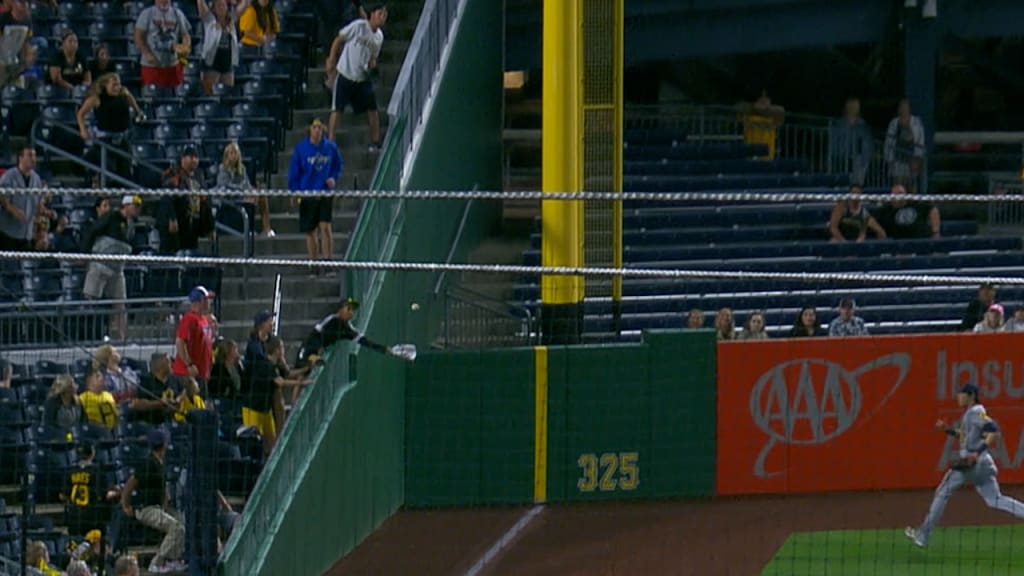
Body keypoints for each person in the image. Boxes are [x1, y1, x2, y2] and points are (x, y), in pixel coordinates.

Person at [905, 383, 1024, 547]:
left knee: (942, 492)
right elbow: (966, 436)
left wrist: (977, 452)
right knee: (995, 499)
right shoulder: (971, 414)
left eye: (962, 394)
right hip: (984, 464)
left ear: (971, 396)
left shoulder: (975, 412)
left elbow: (994, 431)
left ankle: (922, 536)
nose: (958, 397)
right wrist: (948, 430)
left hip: (972, 463)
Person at [120, 429, 186, 573]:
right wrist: (125, 505)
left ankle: (172, 560)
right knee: (176, 527)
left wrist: (165, 508)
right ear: (164, 445)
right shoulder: (148, 463)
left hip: (156, 508)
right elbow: (129, 485)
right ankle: (157, 563)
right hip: (146, 509)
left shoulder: (159, 462)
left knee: (182, 521)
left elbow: (164, 491)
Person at [325, 3, 387, 150]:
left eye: (385, 15)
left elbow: (373, 57)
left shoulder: (379, 37)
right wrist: (332, 59)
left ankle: (375, 141)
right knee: (337, 109)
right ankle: (330, 143)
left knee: (372, 109)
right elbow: (339, 39)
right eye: (380, 14)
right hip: (345, 73)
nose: (382, 17)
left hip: (362, 77)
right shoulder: (358, 26)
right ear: (372, 14)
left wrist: (373, 66)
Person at [80, 195, 142, 340]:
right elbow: (92, 231)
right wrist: (84, 254)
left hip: (118, 268)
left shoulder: (131, 225)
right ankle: (91, 336)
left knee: (120, 303)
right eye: (134, 206)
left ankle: (122, 338)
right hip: (100, 264)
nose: (137, 209)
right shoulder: (111, 217)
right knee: (91, 299)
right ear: (126, 205)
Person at [288, 118, 342, 275]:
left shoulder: (330, 147)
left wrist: (333, 177)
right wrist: (295, 191)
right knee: (310, 231)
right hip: (307, 194)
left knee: (325, 227)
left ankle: (328, 261)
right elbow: (294, 173)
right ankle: (314, 264)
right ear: (309, 129)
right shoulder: (301, 149)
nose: (317, 130)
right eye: (314, 127)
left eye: (320, 127)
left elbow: (338, 165)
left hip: (324, 192)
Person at [76, 73, 145, 187]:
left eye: (118, 84)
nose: (116, 87)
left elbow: (132, 102)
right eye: (113, 85)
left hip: (122, 138)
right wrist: (83, 129)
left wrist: (138, 111)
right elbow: (80, 114)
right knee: (109, 168)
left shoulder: (124, 93)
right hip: (105, 139)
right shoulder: (97, 98)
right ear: (105, 85)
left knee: (126, 170)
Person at [296, 297, 394, 367]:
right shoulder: (332, 319)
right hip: (310, 346)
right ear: (340, 310)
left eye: (353, 310)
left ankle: (315, 361)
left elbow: (364, 341)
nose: (351, 312)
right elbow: (316, 333)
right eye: (348, 309)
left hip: (320, 353)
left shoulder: (348, 330)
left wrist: (384, 349)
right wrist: (319, 347)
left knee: (307, 374)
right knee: (301, 366)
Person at [157, 147, 214, 254]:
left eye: (196, 157)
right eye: (191, 157)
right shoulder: (173, 173)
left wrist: (210, 227)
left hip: (192, 223)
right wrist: (172, 218)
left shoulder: (199, 177)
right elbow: (167, 197)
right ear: (183, 159)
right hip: (175, 220)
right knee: (171, 252)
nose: (194, 160)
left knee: (190, 253)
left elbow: (205, 201)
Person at [217, 141, 273, 236]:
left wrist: (253, 192)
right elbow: (225, 186)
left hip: (243, 195)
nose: (234, 156)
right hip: (230, 197)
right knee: (250, 198)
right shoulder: (223, 169)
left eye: (236, 153)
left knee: (261, 195)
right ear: (226, 156)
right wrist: (243, 192)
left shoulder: (242, 168)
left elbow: (247, 184)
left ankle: (267, 229)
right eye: (231, 153)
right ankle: (249, 230)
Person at [63, 441, 118, 539]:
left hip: (74, 517)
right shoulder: (97, 471)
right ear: (92, 453)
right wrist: (118, 492)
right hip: (93, 518)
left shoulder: (69, 471)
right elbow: (104, 495)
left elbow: (64, 495)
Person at [134, 0, 191, 88]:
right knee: (152, 94)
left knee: (175, 93)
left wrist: (185, 47)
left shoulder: (178, 14)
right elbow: (138, 37)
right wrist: (147, 53)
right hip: (151, 67)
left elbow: (185, 35)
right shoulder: (147, 14)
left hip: (173, 66)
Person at [171, 285, 217, 395]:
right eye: (207, 299)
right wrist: (189, 364)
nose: (209, 302)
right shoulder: (189, 319)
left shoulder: (204, 319)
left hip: (201, 373)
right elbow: (180, 342)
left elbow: (205, 343)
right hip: (188, 374)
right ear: (200, 301)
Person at [0, 146, 45, 251]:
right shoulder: (9, 176)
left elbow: (38, 201)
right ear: (20, 158)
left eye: (34, 156)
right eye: (29, 155)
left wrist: (41, 210)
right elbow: (1, 196)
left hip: (26, 232)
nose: (33, 159)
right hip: (7, 231)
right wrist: (13, 210)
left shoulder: (36, 179)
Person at [197, 0, 248, 94]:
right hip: (212, 61)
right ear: (214, 8)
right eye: (218, 5)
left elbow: (244, 5)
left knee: (228, 93)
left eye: (223, 5)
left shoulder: (231, 19)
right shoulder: (209, 19)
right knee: (210, 93)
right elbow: (200, 3)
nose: (221, 7)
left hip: (227, 60)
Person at [829, 97, 874, 186]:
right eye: (850, 106)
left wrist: (865, 159)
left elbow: (867, 144)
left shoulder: (863, 125)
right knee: (842, 184)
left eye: (855, 106)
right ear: (846, 107)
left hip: (859, 161)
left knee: (857, 184)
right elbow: (833, 143)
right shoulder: (839, 124)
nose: (852, 108)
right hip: (841, 160)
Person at [884, 98, 926, 191]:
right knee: (898, 185)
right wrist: (889, 159)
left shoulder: (916, 122)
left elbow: (920, 141)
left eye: (905, 107)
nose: (903, 109)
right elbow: (889, 141)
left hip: (912, 159)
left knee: (910, 185)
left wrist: (918, 158)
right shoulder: (894, 123)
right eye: (902, 107)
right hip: (897, 159)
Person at [871, 184, 940, 240]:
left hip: (919, 240)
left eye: (901, 193)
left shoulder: (916, 205)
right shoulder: (886, 210)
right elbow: (870, 219)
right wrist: (880, 230)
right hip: (897, 243)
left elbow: (933, 210)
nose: (899, 196)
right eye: (896, 194)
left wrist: (935, 232)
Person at [131, 352, 177, 424]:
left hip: (175, 421)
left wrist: (178, 400)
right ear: (159, 365)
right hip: (152, 423)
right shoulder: (145, 381)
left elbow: (183, 392)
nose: (172, 364)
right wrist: (160, 404)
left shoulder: (174, 379)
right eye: (168, 362)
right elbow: (137, 405)